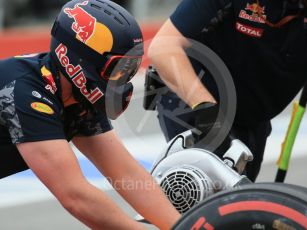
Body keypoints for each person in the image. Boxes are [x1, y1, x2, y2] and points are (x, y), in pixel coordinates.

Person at [0, 0, 180, 229]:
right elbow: (76, 197)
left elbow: (127, 174)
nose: (123, 81)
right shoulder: (27, 93)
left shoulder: (76, 96)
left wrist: (184, 226)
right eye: (118, 70)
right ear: (78, 60)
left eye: (129, 71)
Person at [148, 0, 307, 181]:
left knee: (240, 199)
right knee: (203, 194)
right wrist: (207, 110)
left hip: (252, 112)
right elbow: (163, 46)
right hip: (194, 98)